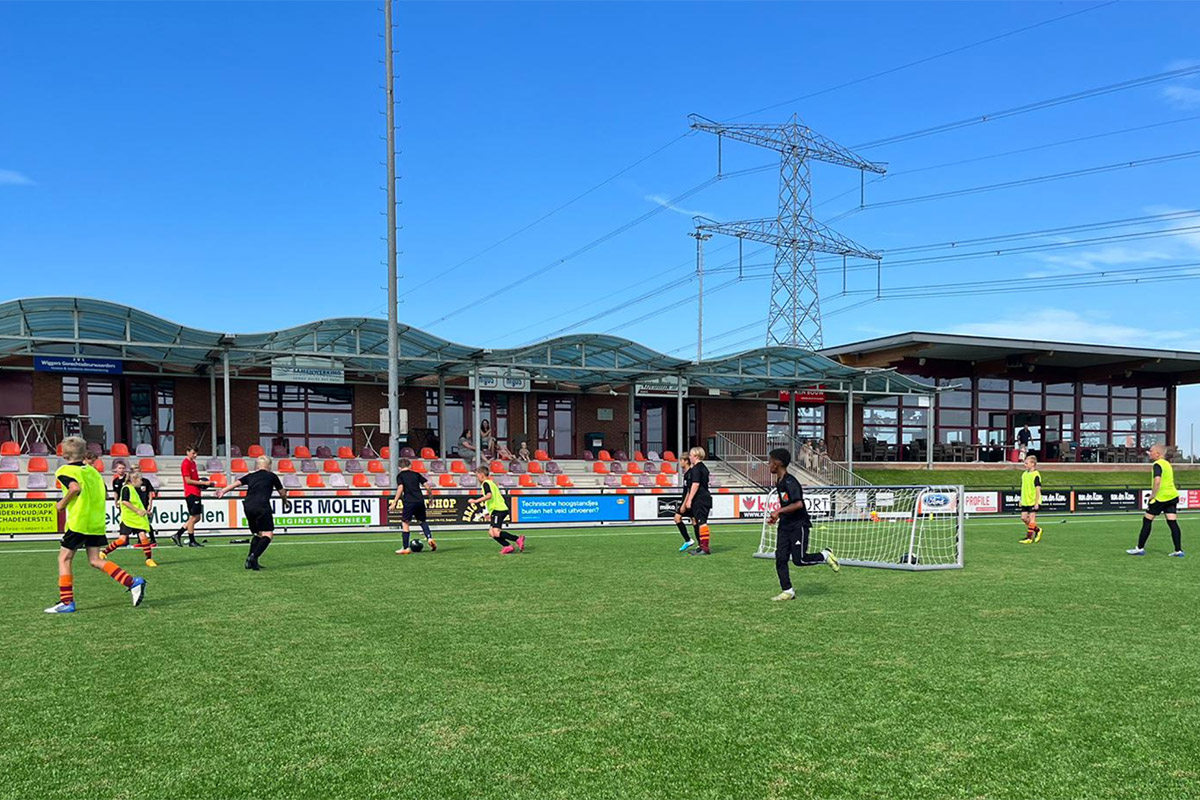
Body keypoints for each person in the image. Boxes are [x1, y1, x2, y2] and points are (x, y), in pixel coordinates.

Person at [44, 436, 146, 613]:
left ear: (63, 454)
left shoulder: (64, 470)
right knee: (95, 560)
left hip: (79, 522)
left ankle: (67, 602)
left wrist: (61, 504)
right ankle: (132, 582)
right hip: (96, 522)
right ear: (84, 453)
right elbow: (103, 494)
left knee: (64, 558)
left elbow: (74, 488)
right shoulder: (94, 472)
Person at [766, 448, 837, 602]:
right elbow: (787, 504)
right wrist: (778, 517)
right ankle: (787, 591)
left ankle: (825, 555)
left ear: (777, 463)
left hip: (798, 525)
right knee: (780, 558)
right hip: (785, 525)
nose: (768, 464)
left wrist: (778, 511)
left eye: (770, 461)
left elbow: (798, 504)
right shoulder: (779, 481)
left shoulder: (790, 482)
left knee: (800, 560)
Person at [217, 455, 288, 570]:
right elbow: (282, 492)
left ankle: (250, 561)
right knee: (268, 534)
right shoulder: (272, 476)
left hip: (248, 505)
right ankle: (254, 557)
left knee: (258, 534)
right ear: (269, 465)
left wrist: (223, 491)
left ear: (257, 466)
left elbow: (236, 483)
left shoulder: (251, 476)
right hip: (262, 505)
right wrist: (285, 500)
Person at [1127, 443, 1185, 557]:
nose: (1149, 453)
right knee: (1172, 523)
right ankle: (1178, 550)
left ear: (1158, 454)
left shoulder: (1157, 464)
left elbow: (1157, 482)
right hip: (1172, 496)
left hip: (1161, 497)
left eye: (1151, 451)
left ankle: (1139, 548)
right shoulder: (1167, 464)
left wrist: (1152, 496)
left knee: (1147, 520)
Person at [101, 466, 158, 567]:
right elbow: (125, 502)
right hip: (128, 518)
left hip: (137, 518)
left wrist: (145, 511)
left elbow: (137, 503)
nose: (141, 482)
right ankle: (104, 552)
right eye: (140, 479)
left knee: (143, 537)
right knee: (122, 539)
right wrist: (138, 510)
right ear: (134, 479)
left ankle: (149, 559)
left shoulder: (133, 489)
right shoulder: (126, 488)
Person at [469, 466, 523, 554]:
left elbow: (489, 496)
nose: (477, 478)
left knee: (496, 532)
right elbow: (493, 498)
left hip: (499, 509)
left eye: (477, 475)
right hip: (497, 509)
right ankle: (507, 546)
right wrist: (489, 513)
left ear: (482, 475)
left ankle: (517, 539)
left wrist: (476, 501)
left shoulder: (485, 483)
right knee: (491, 532)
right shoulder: (491, 483)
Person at [389, 457, 436, 555]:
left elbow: (400, 488)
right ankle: (429, 538)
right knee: (422, 521)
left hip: (409, 502)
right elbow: (427, 486)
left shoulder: (400, 476)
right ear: (410, 465)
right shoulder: (416, 474)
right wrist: (431, 498)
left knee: (405, 523)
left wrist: (394, 502)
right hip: (420, 501)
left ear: (399, 467)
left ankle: (406, 547)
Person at [172, 446, 210, 547]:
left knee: (197, 517)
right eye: (193, 453)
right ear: (187, 452)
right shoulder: (186, 463)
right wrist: (203, 483)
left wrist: (202, 483)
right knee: (194, 517)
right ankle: (191, 540)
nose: (195, 455)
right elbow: (188, 480)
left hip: (196, 492)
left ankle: (178, 534)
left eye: (196, 453)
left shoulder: (193, 463)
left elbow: (194, 479)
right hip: (191, 493)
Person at [678, 447, 713, 555]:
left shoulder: (696, 469)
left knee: (702, 523)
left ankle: (704, 548)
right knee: (700, 522)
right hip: (705, 498)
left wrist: (689, 500)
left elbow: (695, 484)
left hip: (700, 499)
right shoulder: (703, 468)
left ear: (696, 456)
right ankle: (702, 546)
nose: (689, 457)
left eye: (691, 455)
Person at [1018, 455, 1043, 544]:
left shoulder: (1036, 475)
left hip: (1033, 500)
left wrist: (1036, 502)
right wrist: (1021, 499)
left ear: (1032, 464)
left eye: (1026, 463)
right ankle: (1037, 530)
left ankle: (1029, 538)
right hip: (1025, 500)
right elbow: (1023, 487)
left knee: (1032, 519)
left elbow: (1038, 489)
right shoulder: (1024, 474)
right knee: (1024, 518)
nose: (1025, 465)